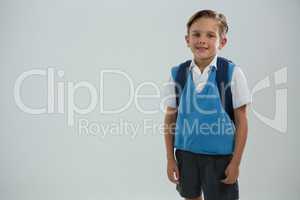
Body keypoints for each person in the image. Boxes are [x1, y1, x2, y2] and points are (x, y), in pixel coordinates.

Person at [163, 10, 251, 200]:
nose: (202, 40)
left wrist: (235, 163)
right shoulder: (177, 74)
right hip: (186, 155)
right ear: (187, 39)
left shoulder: (232, 73)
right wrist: (170, 158)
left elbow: (242, 121)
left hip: (220, 157)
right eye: (196, 34)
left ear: (222, 42)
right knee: (191, 196)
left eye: (210, 35)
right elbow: (170, 118)